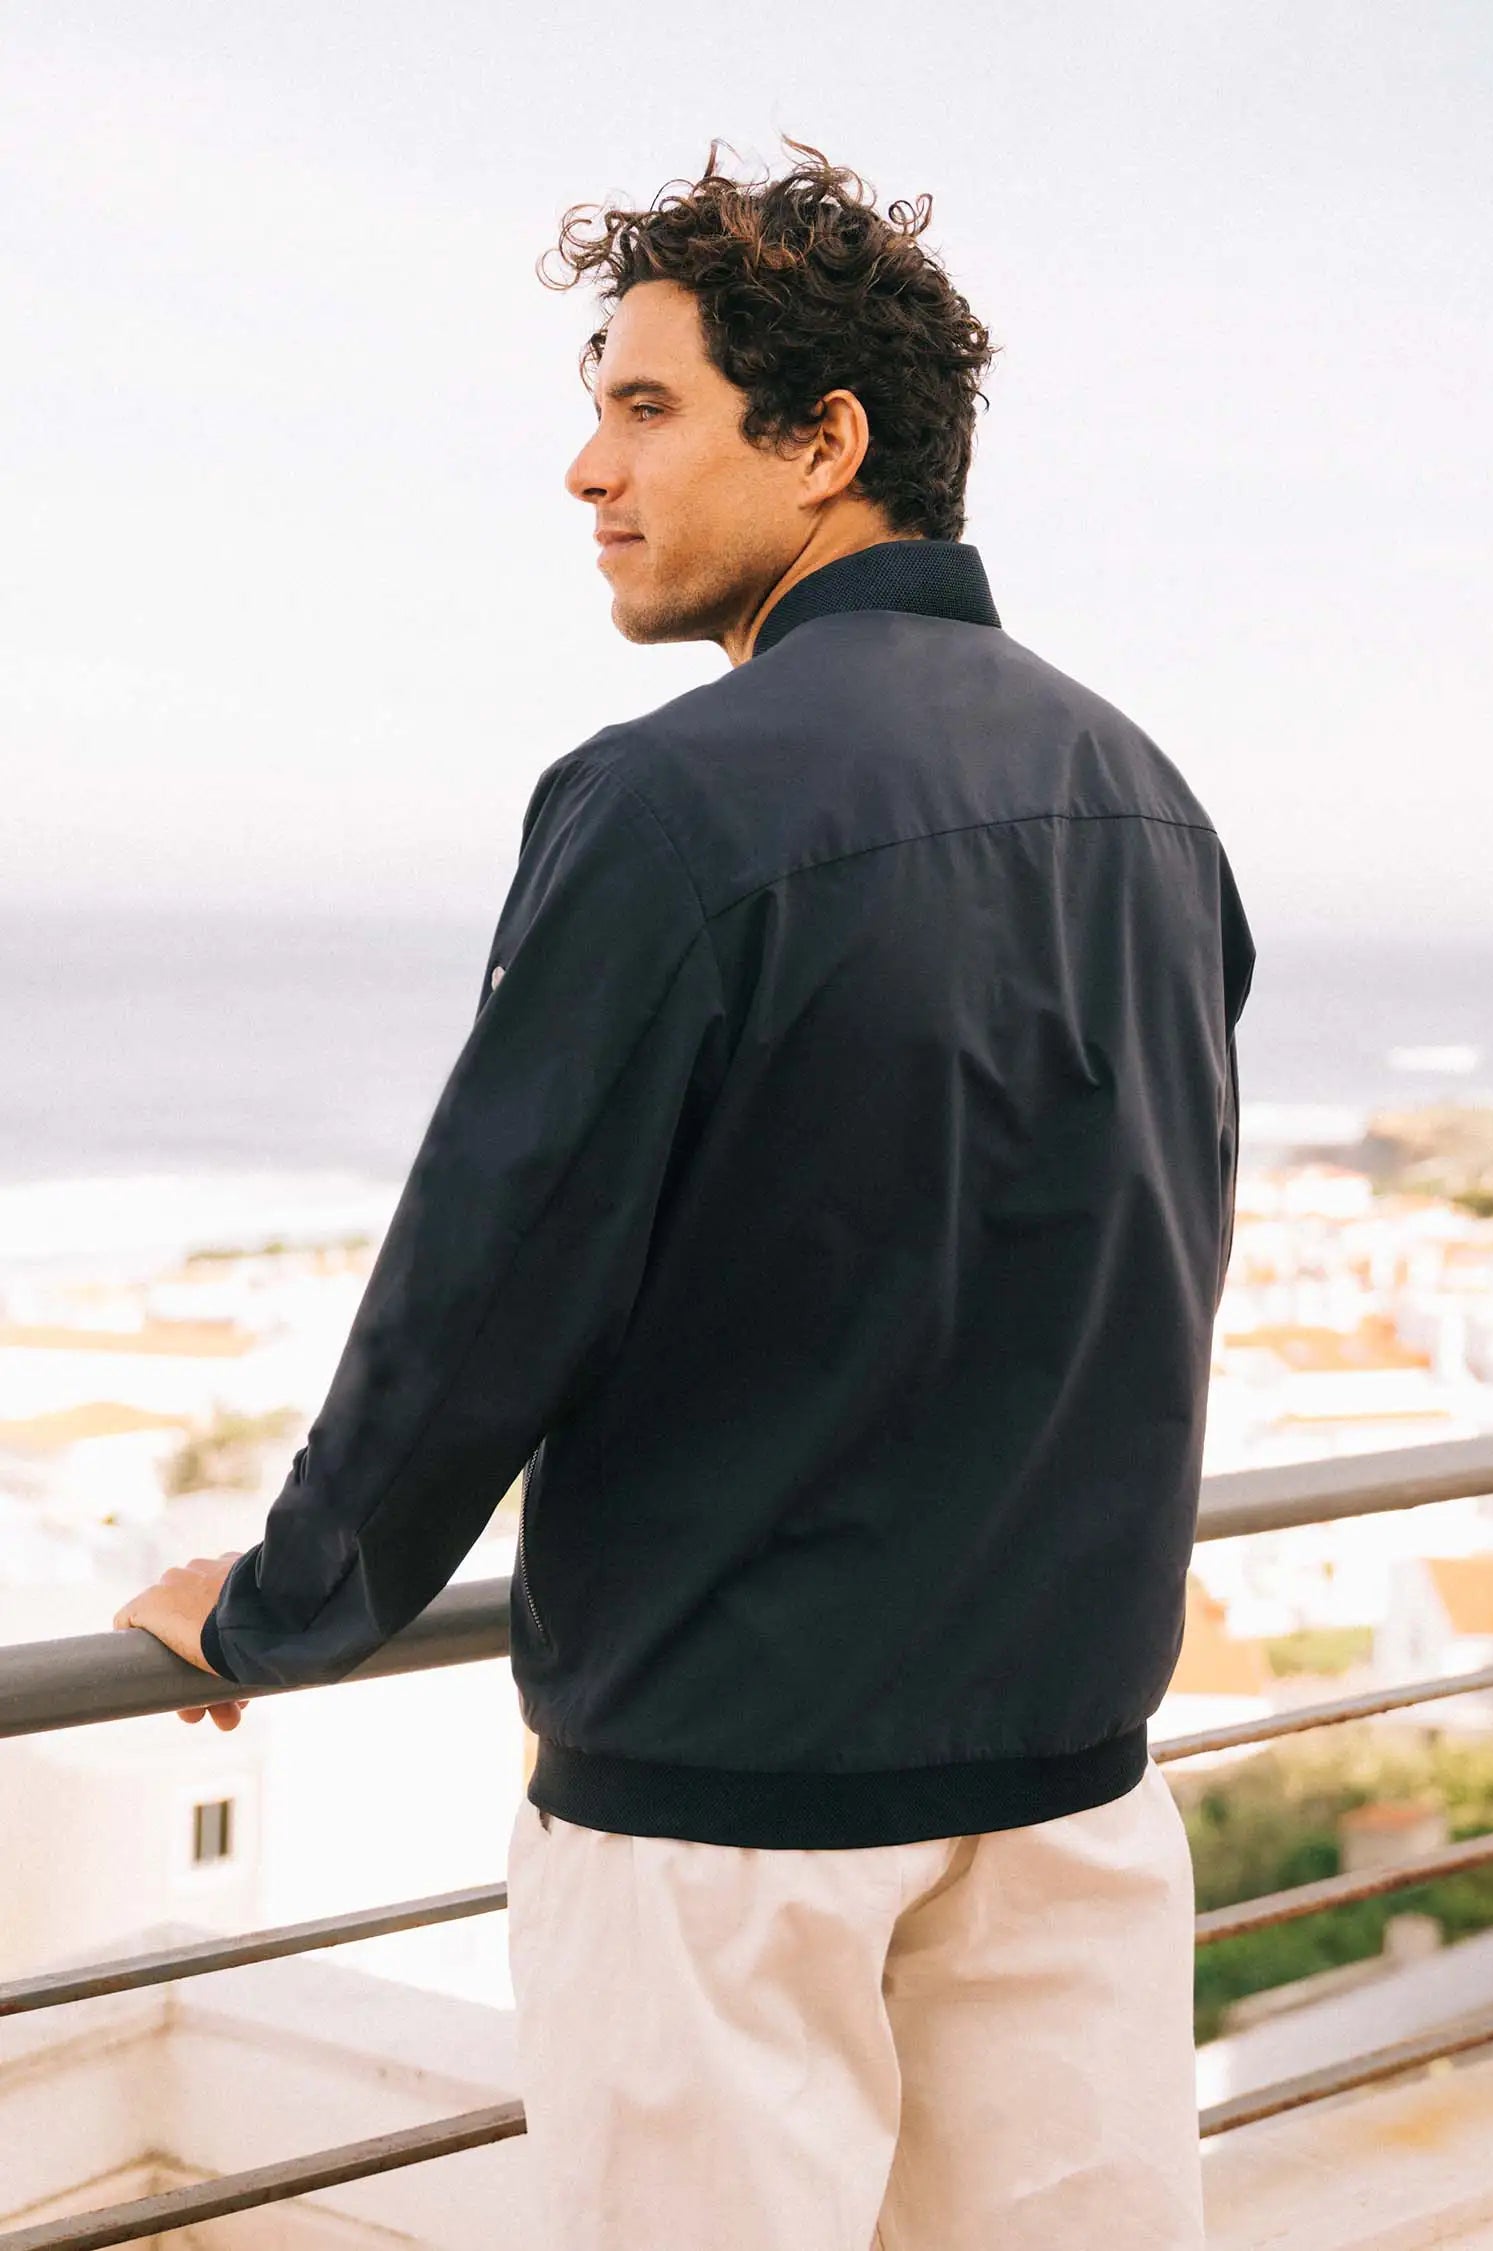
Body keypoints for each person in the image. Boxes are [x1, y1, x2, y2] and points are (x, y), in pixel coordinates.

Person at [116, 137, 1254, 2250]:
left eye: (645, 405)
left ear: (822, 443)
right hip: (1074, 1777)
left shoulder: (665, 802)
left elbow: (489, 1279)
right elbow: (1140, 1263)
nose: (586, 469)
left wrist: (281, 1599)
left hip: (731, 1824)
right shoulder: (1150, 802)